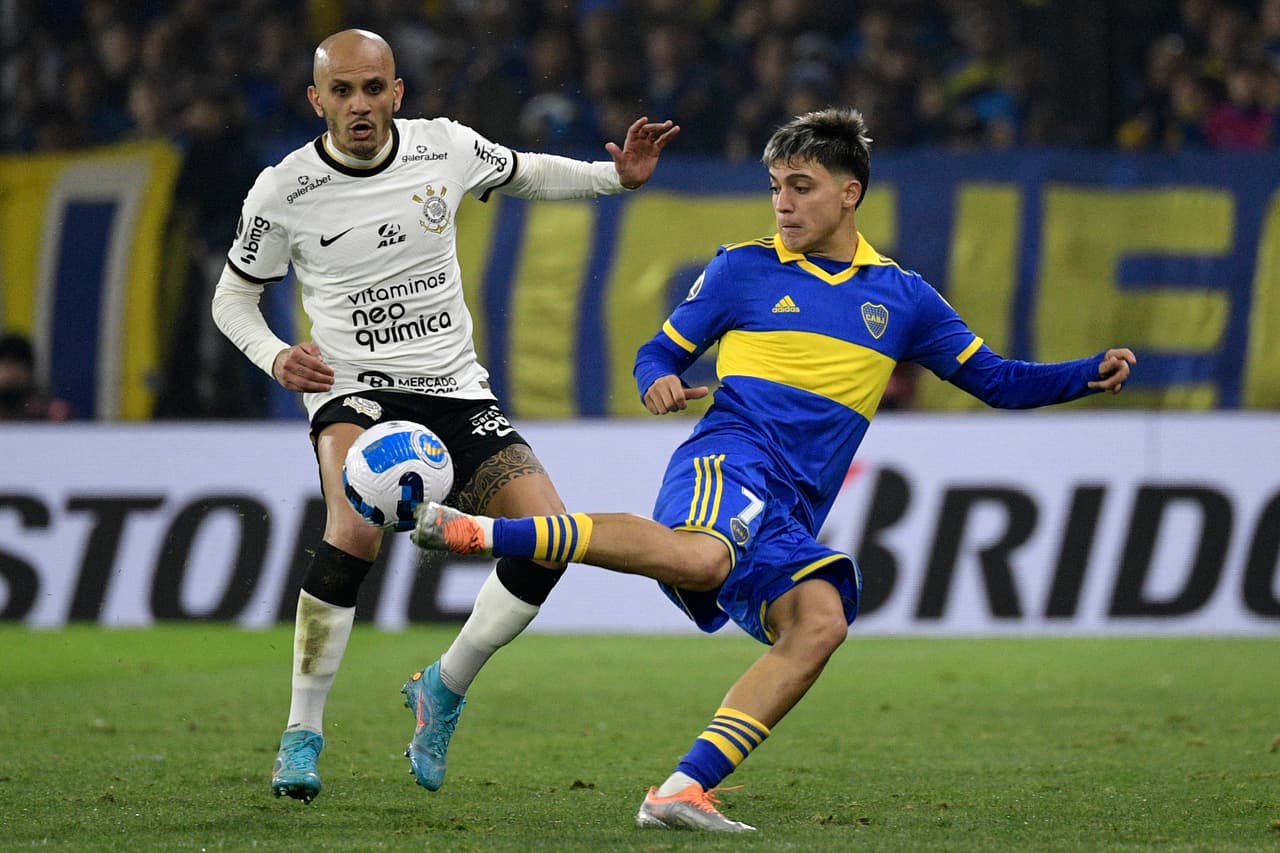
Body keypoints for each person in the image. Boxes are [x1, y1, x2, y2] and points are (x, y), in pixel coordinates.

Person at [412, 107, 1136, 832]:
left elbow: (998, 380)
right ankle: (482, 532)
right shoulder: (742, 269)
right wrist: (656, 378)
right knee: (701, 556)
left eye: (802, 185)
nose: (784, 202)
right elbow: (658, 351)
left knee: (820, 620)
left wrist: (1084, 373)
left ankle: (680, 790)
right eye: (776, 186)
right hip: (727, 457)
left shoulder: (903, 297)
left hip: (789, 507)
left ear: (849, 193)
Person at [211, 28, 678, 804]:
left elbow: (528, 173)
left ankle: (444, 686)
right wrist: (273, 356)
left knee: (549, 539)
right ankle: (302, 729)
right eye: (343, 91)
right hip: (349, 385)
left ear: (397, 92)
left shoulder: (445, 148)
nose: (359, 105)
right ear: (316, 99)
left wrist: (616, 177)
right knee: (353, 526)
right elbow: (234, 296)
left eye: (373, 89)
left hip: (456, 389)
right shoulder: (283, 189)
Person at [0, 332, 71, 421]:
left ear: (29, 371)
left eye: (18, 366)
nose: (12, 374)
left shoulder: (49, 410)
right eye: (7, 366)